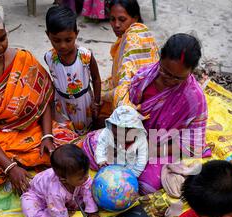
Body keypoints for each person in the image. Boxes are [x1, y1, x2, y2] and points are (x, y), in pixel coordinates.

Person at [0, 3, 78, 195]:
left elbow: (44, 100)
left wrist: (47, 136)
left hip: (31, 131)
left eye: (3, 38)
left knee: (71, 147)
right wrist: (9, 168)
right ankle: (21, 165)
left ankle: (23, 164)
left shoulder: (22, 58)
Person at [128, 33, 210, 195]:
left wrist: (146, 149)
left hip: (161, 145)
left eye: (178, 78)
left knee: (146, 185)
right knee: (99, 154)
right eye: (165, 71)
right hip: (131, 134)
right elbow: (126, 106)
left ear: (191, 71)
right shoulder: (145, 76)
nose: (169, 80)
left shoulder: (194, 99)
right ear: (160, 59)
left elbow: (191, 145)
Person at [21, 144, 101, 217]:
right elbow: (57, 211)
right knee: (28, 207)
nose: (86, 177)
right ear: (64, 179)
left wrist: (92, 212)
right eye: (81, 177)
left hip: (57, 199)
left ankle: (66, 207)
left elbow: (88, 188)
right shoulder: (55, 191)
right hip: (38, 197)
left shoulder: (80, 176)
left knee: (89, 191)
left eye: (87, 172)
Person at [98, 0, 159, 127]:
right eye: (112, 19)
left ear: (135, 18)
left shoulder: (133, 39)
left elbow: (125, 83)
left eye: (122, 19)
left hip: (143, 100)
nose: (116, 25)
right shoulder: (138, 32)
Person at [45, 5, 102, 136]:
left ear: (76, 34)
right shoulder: (49, 57)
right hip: (62, 103)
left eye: (68, 40)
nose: (63, 45)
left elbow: (96, 78)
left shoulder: (85, 56)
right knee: (65, 132)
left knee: (85, 131)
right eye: (56, 40)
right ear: (48, 35)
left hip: (83, 103)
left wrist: (96, 101)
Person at [83, 105, 148, 177]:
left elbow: (142, 158)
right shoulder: (107, 132)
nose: (120, 137)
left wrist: (133, 175)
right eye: (116, 134)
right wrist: (101, 160)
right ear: (111, 125)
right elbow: (100, 147)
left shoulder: (140, 138)